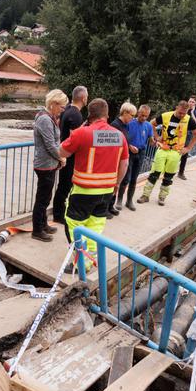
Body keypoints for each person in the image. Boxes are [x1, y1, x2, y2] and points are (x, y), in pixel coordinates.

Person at [59, 98, 129, 265]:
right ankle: (90, 261)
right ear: (107, 115)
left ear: (89, 115)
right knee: (95, 227)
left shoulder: (82, 133)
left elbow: (62, 151)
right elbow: (124, 163)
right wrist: (116, 184)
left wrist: (77, 132)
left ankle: (80, 263)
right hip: (107, 192)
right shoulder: (119, 135)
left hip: (84, 191)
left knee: (74, 226)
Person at [137, 100, 196, 206]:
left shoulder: (188, 120)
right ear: (176, 108)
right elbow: (152, 123)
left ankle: (162, 197)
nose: (181, 115)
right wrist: (156, 137)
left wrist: (188, 148)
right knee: (154, 173)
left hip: (176, 151)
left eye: (184, 113)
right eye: (180, 113)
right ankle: (145, 195)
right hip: (163, 148)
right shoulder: (166, 116)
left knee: (169, 175)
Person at [30, 89, 68, 242]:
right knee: (43, 198)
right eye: (62, 106)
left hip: (49, 164)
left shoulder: (47, 117)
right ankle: (37, 230)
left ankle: (43, 224)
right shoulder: (45, 119)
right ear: (53, 104)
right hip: (45, 165)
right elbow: (50, 145)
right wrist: (62, 157)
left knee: (46, 197)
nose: (63, 110)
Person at [52, 86, 88, 225]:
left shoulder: (67, 110)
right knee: (65, 186)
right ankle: (58, 214)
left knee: (63, 185)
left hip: (64, 152)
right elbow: (76, 138)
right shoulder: (76, 114)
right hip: (70, 155)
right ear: (83, 98)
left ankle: (58, 211)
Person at [116, 104, 154, 211]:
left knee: (134, 178)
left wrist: (153, 141)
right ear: (138, 113)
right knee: (125, 177)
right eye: (142, 115)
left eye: (146, 116)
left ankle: (129, 201)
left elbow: (150, 138)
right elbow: (123, 138)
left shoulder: (148, 125)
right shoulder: (130, 123)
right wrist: (128, 146)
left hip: (141, 153)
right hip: (129, 152)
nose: (143, 118)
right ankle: (119, 200)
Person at [105, 102, 135, 217]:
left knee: (118, 183)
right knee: (112, 184)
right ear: (125, 113)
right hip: (114, 160)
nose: (132, 118)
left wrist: (129, 146)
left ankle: (111, 205)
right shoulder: (115, 125)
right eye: (132, 115)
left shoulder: (125, 125)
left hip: (121, 158)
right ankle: (105, 208)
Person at [178, 96, 196, 180]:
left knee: (184, 153)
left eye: (193, 102)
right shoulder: (184, 109)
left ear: (195, 104)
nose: (190, 103)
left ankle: (181, 172)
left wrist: (192, 112)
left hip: (187, 135)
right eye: (190, 101)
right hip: (179, 134)